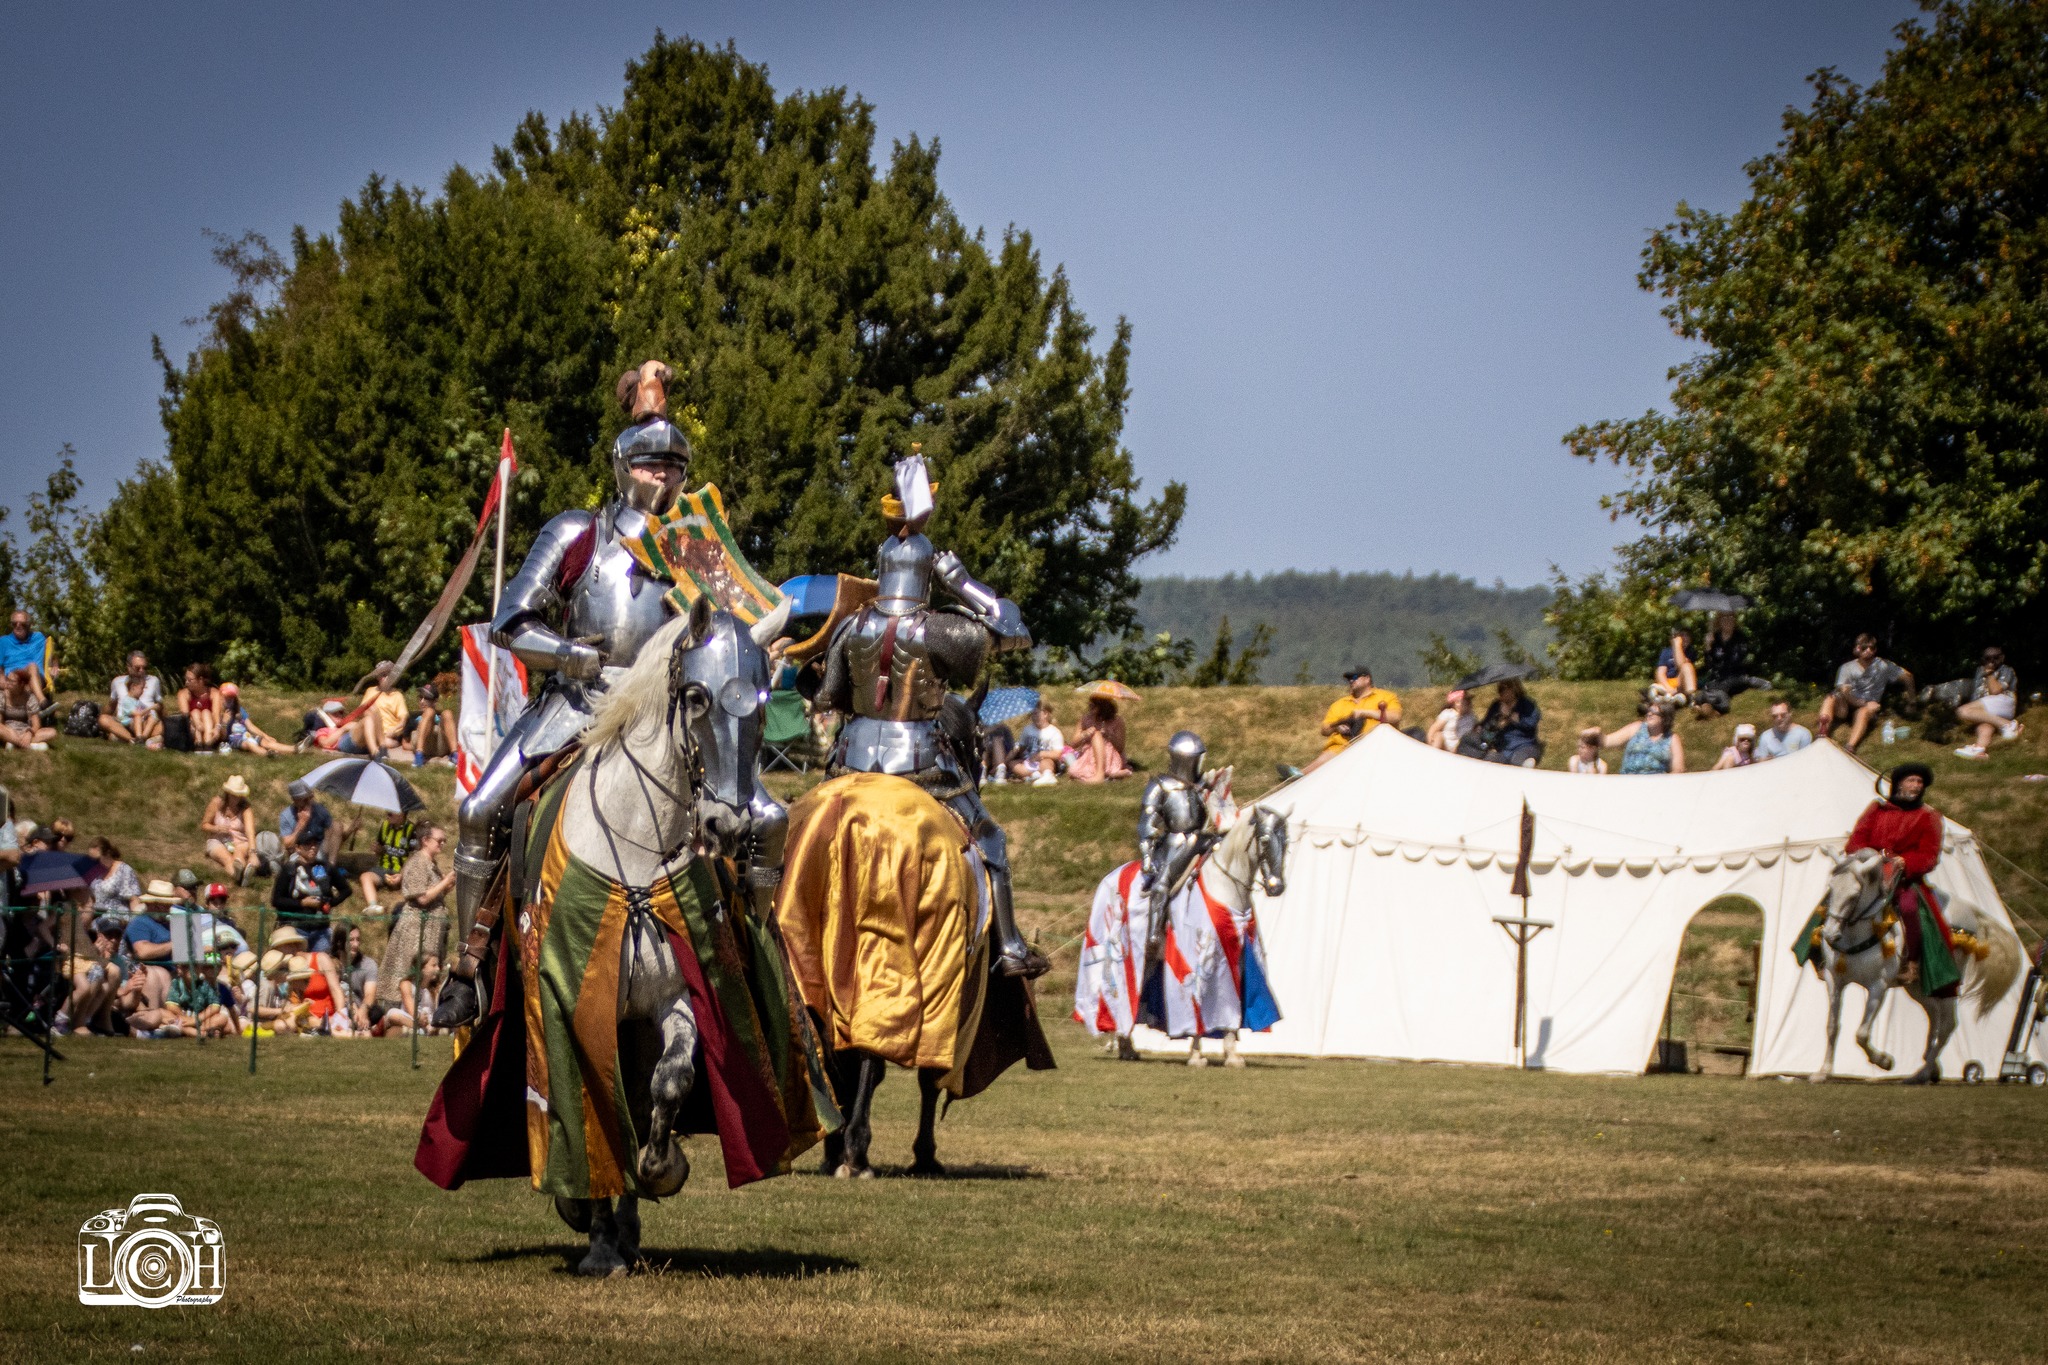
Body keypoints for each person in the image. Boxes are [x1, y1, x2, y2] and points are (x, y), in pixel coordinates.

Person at [442, 360, 743, 1027]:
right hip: (575, 708)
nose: (661, 475)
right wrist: (572, 656)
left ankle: (750, 971)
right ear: (623, 467)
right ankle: (469, 962)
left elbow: (728, 635)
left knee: (749, 819)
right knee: (481, 810)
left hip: (667, 723)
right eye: (649, 464)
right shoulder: (581, 534)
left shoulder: (697, 551)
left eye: (672, 466)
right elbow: (511, 620)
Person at [807, 451, 1044, 979]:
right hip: (923, 768)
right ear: (926, 574)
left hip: (850, 764)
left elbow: (827, 698)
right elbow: (1014, 631)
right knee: (990, 839)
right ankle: (1007, 948)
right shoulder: (940, 630)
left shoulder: (851, 626)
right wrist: (963, 583)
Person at [1844, 763, 1958, 995]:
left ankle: (1912, 962)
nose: (1916, 786)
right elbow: (1856, 841)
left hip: (1903, 880)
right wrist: (1871, 857)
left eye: (1919, 782)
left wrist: (1906, 862)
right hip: (1870, 874)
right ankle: (1821, 950)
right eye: (1911, 781)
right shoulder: (1877, 810)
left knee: (1909, 907)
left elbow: (1929, 855)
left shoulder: (1929, 817)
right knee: (1839, 894)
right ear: (1898, 784)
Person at [1137, 731, 1216, 954]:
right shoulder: (1160, 785)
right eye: (1195, 759)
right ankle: (1153, 934)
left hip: (1203, 839)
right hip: (1174, 844)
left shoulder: (1203, 785)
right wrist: (1147, 857)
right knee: (1162, 884)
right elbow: (1146, 826)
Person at [383, 824, 453, 1027]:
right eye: (439, 840)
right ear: (425, 840)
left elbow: (435, 894)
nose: (443, 844)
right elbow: (421, 897)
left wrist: (447, 885)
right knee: (411, 969)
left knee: (430, 973)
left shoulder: (432, 864)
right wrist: (444, 881)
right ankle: (406, 1018)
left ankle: (428, 1016)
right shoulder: (417, 863)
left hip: (432, 927)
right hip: (416, 929)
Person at [1817, 634, 1913, 752]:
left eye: (1872, 648)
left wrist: (1911, 702)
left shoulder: (1883, 666)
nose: (1868, 651)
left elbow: (1908, 677)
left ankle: (1850, 746)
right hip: (1847, 705)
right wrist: (1861, 703)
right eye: (1864, 648)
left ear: (1875, 650)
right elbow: (1845, 692)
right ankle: (1822, 733)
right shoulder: (1847, 667)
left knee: (1864, 712)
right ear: (1857, 649)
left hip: (1866, 707)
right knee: (1830, 698)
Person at [1305, 667, 1402, 774]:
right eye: (1349, 679)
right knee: (1327, 757)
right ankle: (1300, 775)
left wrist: (1364, 713)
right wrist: (1337, 727)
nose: (1351, 681)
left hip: (1376, 746)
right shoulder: (1339, 704)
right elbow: (1324, 730)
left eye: (1354, 677)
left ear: (1367, 679)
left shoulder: (1386, 697)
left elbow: (1395, 717)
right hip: (1342, 748)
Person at [272, 832, 350, 958]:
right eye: (308, 844)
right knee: (297, 964)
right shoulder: (289, 869)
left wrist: (330, 903)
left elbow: (346, 890)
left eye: (316, 844)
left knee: (319, 966)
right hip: (295, 927)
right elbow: (276, 900)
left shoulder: (326, 867)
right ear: (297, 848)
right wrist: (302, 903)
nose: (313, 847)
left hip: (321, 929)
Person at [1691, 613, 1770, 717]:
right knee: (1714, 689)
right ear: (1719, 621)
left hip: (1735, 676)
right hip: (1718, 678)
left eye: (1731, 617)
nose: (1728, 620)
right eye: (1725, 618)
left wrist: (1722, 663)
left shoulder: (1740, 638)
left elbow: (1737, 662)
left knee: (1720, 687)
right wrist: (1708, 647)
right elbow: (1709, 665)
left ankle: (1707, 705)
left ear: (1735, 621)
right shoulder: (1715, 639)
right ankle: (1713, 711)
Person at [121, 881, 181, 1011]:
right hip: (146, 971)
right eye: (161, 905)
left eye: (167, 905)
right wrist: (174, 944)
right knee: (157, 974)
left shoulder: (175, 923)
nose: (165, 908)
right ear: (150, 903)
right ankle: (153, 1016)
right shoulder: (140, 922)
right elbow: (142, 952)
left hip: (178, 970)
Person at [1954, 646, 2022, 760]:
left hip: (2003, 701)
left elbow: (1995, 691)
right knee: (1985, 725)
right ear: (1982, 659)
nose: (1991, 661)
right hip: (1988, 706)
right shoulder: (1979, 671)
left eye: (1996, 657)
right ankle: (1980, 749)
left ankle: (2008, 725)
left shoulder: (2006, 669)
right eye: (1987, 658)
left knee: (1962, 711)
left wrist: (1989, 674)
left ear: (2002, 658)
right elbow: (1976, 694)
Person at [1459, 678, 1543, 767]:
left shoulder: (1527, 704)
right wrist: (1494, 723)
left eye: (1504, 689)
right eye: (1500, 689)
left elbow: (1532, 723)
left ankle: (1526, 765)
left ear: (1514, 689)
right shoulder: (1497, 705)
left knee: (1516, 762)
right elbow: (1486, 723)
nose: (1501, 693)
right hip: (1502, 746)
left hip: (1523, 744)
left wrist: (1512, 717)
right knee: (1486, 759)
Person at [341, 661, 411, 759]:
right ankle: (376, 751)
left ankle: (377, 750)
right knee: (371, 711)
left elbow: (403, 720)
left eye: (386, 675)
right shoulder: (370, 691)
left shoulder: (397, 696)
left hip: (384, 736)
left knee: (389, 741)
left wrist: (394, 730)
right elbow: (363, 713)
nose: (383, 678)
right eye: (381, 675)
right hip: (365, 733)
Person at [201, 774, 258, 883]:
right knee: (226, 859)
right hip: (218, 840)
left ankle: (241, 871)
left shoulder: (246, 808)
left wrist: (252, 853)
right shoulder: (216, 803)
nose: (235, 797)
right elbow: (204, 825)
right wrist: (217, 828)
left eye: (238, 795)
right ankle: (239, 877)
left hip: (239, 841)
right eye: (233, 794)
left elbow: (250, 832)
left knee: (238, 855)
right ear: (228, 793)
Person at [1603, 700, 1686, 774]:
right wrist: (1595, 736)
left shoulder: (1672, 738)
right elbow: (1608, 741)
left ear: (1664, 717)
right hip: (1629, 780)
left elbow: (1678, 768)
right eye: (1648, 711)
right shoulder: (1636, 728)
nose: (1649, 714)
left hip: (1656, 785)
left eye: (1653, 712)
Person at [101, 652, 163, 745]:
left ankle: (133, 738)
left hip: (146, 723)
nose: (141, 671)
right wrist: (101, 715)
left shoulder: (154, 681)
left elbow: (160, 706)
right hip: (125, 723)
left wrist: (162, 715)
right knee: (103, 719)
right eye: (138, 668)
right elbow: (111, 706)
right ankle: (133, 739)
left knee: (166, 725)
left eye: (144, 668)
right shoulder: (117, 682)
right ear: (128, 667)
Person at [1066, 696, 1132, 783]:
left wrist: (1109, 736)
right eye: (1089, 705)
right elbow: (1073, 744)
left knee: (1096, 734)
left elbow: (1120, 747)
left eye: (1093, 706)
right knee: (1073, 771)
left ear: (1102, 707)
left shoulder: (1117, 721)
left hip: (1110, 755)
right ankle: (1112, 774)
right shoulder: (1085, 719)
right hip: (1089, 755)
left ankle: (1100, 774)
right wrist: (1084, 734)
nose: (1090, 708)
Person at [218, 684, 291, 756]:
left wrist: (266, 736)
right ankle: (268, 754)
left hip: (246, 735)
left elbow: (250, 726)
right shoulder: (219, 713)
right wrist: (224, 722)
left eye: (232, 698)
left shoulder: (239, 710)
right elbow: (223, 738)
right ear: (221, 698)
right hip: (234, 740)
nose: (230, 700)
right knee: (250, 745)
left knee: (265, 742)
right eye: (227, 697)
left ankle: (294, 749)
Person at [406, 674, 460, 766]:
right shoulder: (413, 716)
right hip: (423, 746)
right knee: (429, 712)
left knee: (447, 713)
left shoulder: (442, 715)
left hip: (441, 746)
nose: (422, 701)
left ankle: (455, 754)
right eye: (420, 697)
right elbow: (404, 742)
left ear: (435, 701)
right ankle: (419, 756)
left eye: (426, 698)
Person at [0, 609, 51, 702]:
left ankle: (42, 701)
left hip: (36, 678)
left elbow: (52, 650)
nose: (18, 626)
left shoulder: (38, 638)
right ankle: (41, 702)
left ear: (29, 625)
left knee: (32, 666)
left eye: (22, 623)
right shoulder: (3, 642)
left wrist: (55, 664)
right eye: (15, 623)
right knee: (15, 676)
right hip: (14, 679)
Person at [85, 837, 141, 919]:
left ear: (108, 854)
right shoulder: (93, 871)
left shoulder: (124, 870)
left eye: (97, 860)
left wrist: (135, 923)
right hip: (94, 917)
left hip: (117, 920)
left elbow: (133, 900)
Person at [0, 667, 54, 750]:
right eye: (7, 679)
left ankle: (14, 743)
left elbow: (36, 724)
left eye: (12, 681)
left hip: (25, 730)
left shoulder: (29, 698)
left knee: (52, 732)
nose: (8, 683)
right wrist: (9, 731)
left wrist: (29, 733)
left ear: (21, 684)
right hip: (8, 730)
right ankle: (28, 745)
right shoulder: (2, 696)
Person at [178, 663, 224, 749]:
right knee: (195, 712)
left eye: (190, 680)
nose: (186, 683)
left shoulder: (214, 693)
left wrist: (217, 728)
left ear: (200, 680)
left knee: (206, 712)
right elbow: (185, 716)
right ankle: (199, 742)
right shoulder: (183, 694)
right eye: (186, 679)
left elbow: (216, 714)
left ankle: (207, 741)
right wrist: (197, 723)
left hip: (210, 726)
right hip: (193, 727)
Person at [1653, 628, 1698, 702]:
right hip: (1668, 682)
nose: (1684, 638)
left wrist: (1677, 646)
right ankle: (1669, 694)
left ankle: (1691, 697)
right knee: (1659, 675)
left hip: (1681, 682)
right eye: (1682, 635)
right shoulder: (1666, 651)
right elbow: (1660, 673)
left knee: (1687, 667)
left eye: (1687, 636)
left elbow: (1680, 665)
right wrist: (1669, 689)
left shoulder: (1691, 651)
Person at [1426, 689, 1475, 753]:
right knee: (1438, 736)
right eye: (1463, 701)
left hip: (1461, 747)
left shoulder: (1471, 717)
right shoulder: (1448, 713)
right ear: (1455, 703)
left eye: (1467, 701)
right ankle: (1433, 754)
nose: (1466, 703)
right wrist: (1430, 739)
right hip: (1446, 745)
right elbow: (1435, 728)